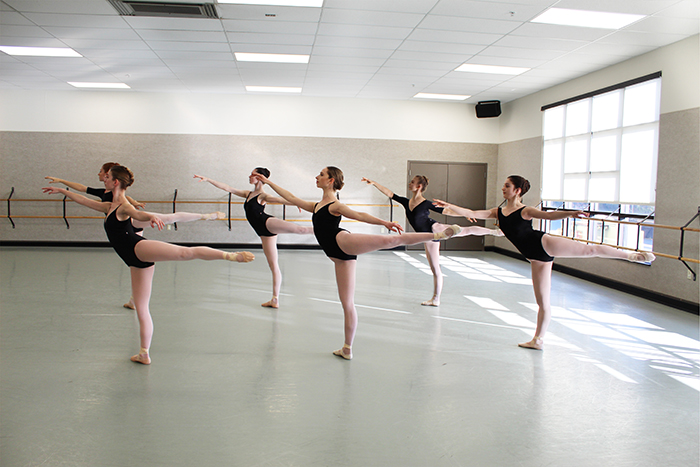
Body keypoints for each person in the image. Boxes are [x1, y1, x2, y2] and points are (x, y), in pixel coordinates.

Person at [43, 165, 254, 365]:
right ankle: (144, 353)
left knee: (184, 253)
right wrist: (61, 189)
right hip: (133, 261)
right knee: (141, 308)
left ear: (115, 182)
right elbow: (82, 199)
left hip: (138, 248)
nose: (103, 179)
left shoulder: (124, 206)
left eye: (106, 177)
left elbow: (138, 214)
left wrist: (151, 216)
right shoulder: (108, 206)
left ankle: (231, 256)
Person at [253, 166, 462, 360]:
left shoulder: (335, 205)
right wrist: (269, 183)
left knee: (389, 240)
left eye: (321, 174)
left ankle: (437, 235)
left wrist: (384, 222)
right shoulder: (315, 206)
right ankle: (347, 348)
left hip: (342, 242)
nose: (317, 177)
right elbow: (289, 196)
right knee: (347, 304)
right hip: (337, 257)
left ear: (330, 180)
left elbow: (360, 215)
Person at [433, 175, 655, 351]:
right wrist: (450, 206)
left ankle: (633, 255)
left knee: (590, 250)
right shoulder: (498, 212)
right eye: (504, 185)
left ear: (517, 190)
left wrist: (571, 213)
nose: (503, 188)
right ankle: (538, 340)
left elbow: (548, 215)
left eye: (507, 185)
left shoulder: (525, 210)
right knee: (542, 302)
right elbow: (472, 212)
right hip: (535, 258)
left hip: (543, 243)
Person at [47, 163, 227, 309]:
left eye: (103, 173)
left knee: (167, 219)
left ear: (111, 177)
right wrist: (62, 183)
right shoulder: (103, 192)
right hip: (123, 223)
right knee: (137, 260)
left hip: (129, 220)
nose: (100, 175)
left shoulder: (114, 189)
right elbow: (82, 190)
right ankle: (134, 300)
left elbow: (126, 201)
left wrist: (136, 207)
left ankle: (207, 216)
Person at [362, 175, 503, 306]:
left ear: (418, 187)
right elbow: (390, 193)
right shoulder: (406, 202)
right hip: (428, 238)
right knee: (435, 268)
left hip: (434, 229)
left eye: (412, 182)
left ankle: (494, 232)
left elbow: (448, 211)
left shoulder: (426, 203)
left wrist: (465, 214)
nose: (409, 183)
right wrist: (374, 184)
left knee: (466, 230)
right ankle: (436, 299)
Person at [193, 169, 314, 309]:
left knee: (301, 230)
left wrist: (299, 203)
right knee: (273, 265)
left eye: (253, 174)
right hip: (262, 232)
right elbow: (227, 187)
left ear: (260, 177)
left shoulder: (263, 195)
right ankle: (275, 299)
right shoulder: (248, 194)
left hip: (267, 222)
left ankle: (326, 231)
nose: (249, 176)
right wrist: (208, 179)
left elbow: (281, 199)